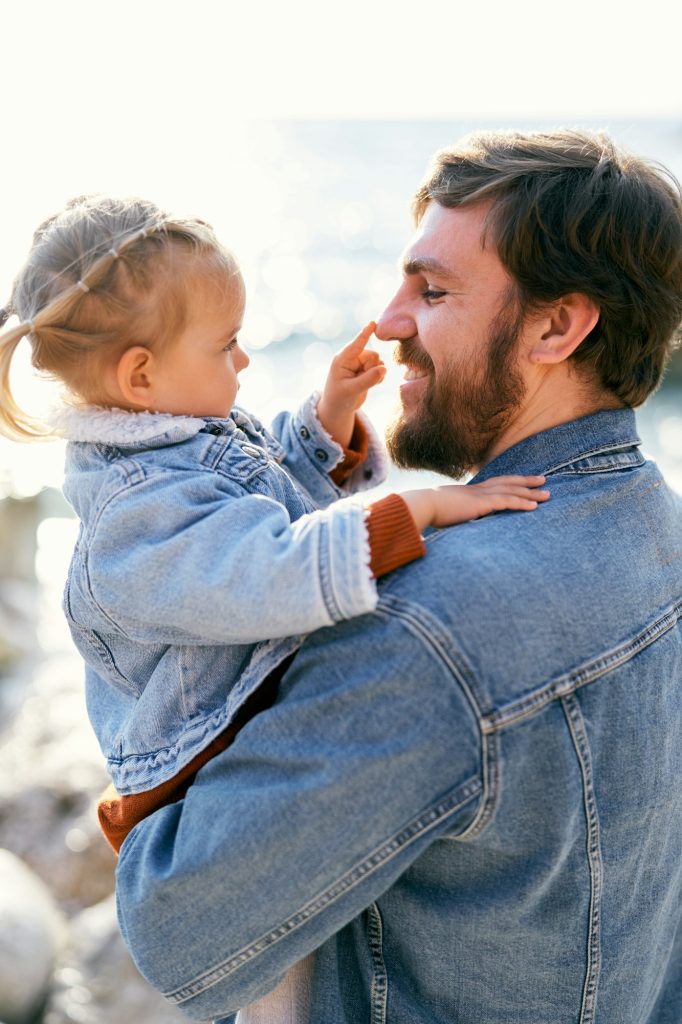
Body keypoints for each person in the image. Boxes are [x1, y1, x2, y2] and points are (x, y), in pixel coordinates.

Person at [110, 130, 682, 1023]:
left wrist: (145, 679)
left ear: (558, 326)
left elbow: (176, 926)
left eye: (434, 289)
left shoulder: (428, 627)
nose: (388, 320)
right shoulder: (660, 529)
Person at [0, 195, 547, 1022]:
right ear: (140, 373)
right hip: (202, 781)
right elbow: (270, 566)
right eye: (225, 345)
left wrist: (327, 423)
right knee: (286, 992)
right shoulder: (134, 519)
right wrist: (418, 511)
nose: (247, 361)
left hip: (242, 723)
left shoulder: (178, 428)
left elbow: (265, 494)